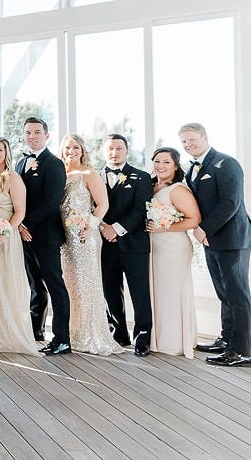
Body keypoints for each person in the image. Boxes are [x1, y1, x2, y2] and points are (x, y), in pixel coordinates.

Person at [181, 123, 251, 367]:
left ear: (205, 138)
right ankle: (227, 340)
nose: (188, 145)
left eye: (192, 139)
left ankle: (242, 352)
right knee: (224, 292)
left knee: (238, 294)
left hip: (233, 239)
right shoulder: (192, 168)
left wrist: (204, 229)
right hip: (211, 240)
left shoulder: (226, 164)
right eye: (184, 141)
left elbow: (231, 202)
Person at [59, 134, 122, 356]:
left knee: (87, 284)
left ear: (83, 150)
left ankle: (91, 336)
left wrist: (90, 224)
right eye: (67, 147)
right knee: (70, 285)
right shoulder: (60, 173)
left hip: (84, 235)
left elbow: (103, 204)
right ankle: (72, 332)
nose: (71, 151)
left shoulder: (89, 173)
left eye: (75, 147)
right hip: (64, 237)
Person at [0, 136, 38, 355]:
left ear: (6, 153)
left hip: (3, 239)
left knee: (3, 282)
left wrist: (4, 231)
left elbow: (19, 211)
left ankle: (5, 333)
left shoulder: (13, 178)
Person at [16, 116, 71, 355]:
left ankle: (62, 339)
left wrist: (24, 223)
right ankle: (35, 331)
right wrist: (18, 226)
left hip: (46, 235)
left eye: (37, 132)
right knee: (35, 286)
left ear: (46, 136)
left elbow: (51, 202)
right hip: (24, 234)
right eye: (28, 132)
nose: (32, 136)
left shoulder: (54, 163)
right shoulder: (19, 163)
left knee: (55, 286)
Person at [98, 134, 153, 356]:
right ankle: (117, 334)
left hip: (134, 243)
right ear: (103, 151)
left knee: (139, 293)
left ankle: (142, 338)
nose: (114, 152)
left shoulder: (141, 177)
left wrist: (116, 229)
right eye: (110, 148)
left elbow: (141, 210)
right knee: (110, 291)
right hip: (103, 244)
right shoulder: (93, 176)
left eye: (119, 148)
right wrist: (104, 229)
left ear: (126, 151)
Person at [147, 146, 201, 358]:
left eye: (166, 162)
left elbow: (194, 219)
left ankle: (174, 342)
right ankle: (158, 339)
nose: (160, 166)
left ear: (176, 166)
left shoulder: (178, 189)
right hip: (155, 246)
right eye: (157, 161)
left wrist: (164, 227)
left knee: (172, 293)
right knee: (159, 293)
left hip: (173, 247)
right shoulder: (151, 186)